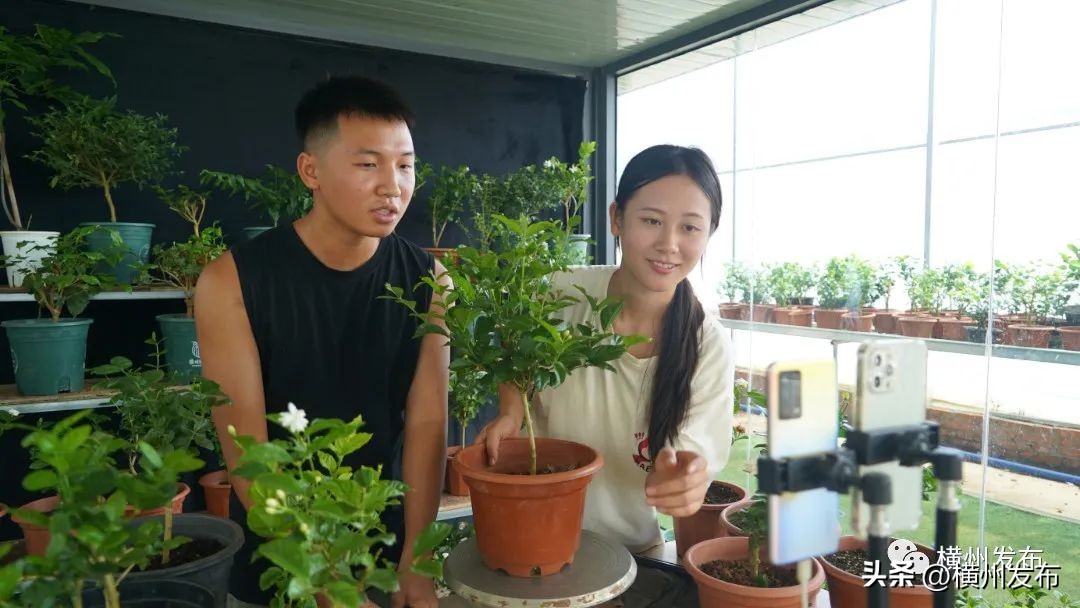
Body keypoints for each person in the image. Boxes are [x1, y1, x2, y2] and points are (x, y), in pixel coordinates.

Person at [195, 75, 449, 608]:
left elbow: (427, 423)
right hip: (279, 564)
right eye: (367, 164)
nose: (393, 185)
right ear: (310, 170)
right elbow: (249, 452)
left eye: (405, 165)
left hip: (386, 555)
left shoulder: (429, 280)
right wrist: (322, 577)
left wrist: (418, 559)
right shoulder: (231, 282)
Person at [478, 144, 734, 556]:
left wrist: (683, 483)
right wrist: (511, 408)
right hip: (526, 533)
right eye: (651, 220)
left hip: (631, 557)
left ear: (709, 234)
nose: (669, 244)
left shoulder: (708, 346)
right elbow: (511, 336)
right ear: (616, 218)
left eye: (689, 227)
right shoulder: (559, 292)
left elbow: (693, 459)